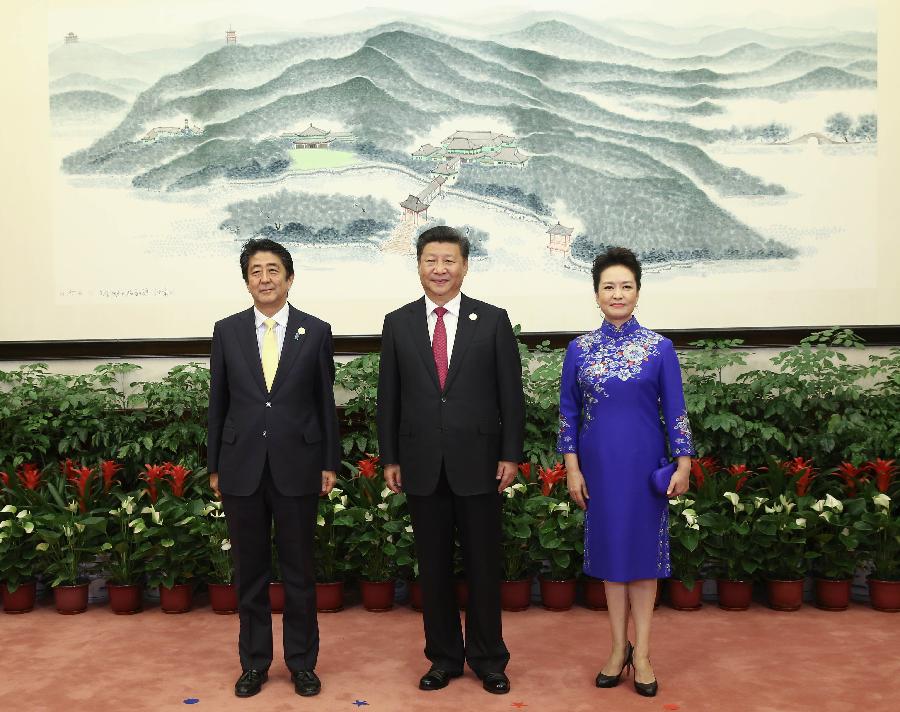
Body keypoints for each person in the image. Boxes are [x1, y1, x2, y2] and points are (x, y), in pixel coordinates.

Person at [377, 225, 525, 695]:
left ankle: (489, 659)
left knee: (484, 566)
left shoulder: (493, 319)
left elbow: (510, 397)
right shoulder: (397, 323)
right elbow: (389, 399)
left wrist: (510, 454)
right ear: (418, 265)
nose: (439, 269)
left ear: (464, 266)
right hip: (421, 462)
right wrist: (390, 457)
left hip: (481, 462)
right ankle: (442, 658)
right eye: (430, 260)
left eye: (449, 260)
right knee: (433, 568)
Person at [207, 238, 340, 698]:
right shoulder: (226, 331)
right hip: (240, 465)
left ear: (289, 277)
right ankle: (254, 663)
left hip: (298, 465)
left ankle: (302, 663)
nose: (265, 279)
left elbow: (325, 403)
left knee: (300, 570)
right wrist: (214, 465)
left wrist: (328, 461)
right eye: (256, 271)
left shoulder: (316, 330)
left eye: (273, 270)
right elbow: (218, 402)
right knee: (250, 572)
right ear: (246, 280)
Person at [557, 246, 693, 698]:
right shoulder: (579, 349)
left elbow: (676, 410)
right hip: (598, 468)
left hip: (644, 467)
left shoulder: (659, 348)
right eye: (608, 287)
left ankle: (644, 654)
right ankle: (617, 648)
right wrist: (572, 469)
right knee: (612, 562)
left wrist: (685, 462)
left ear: (638, 292)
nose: (617, 294)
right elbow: (568, 415)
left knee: (643, 560)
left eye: (626, 286)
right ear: (596, 294)